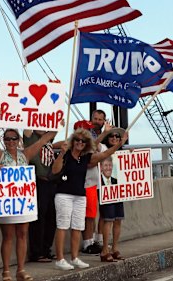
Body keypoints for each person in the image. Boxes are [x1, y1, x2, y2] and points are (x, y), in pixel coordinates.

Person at [0, 108, 58, 281]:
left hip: (22, 203)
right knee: (8, 236)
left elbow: (44, 139)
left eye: (14, 138)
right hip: (6, 203)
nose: (11, 141)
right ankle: (6, 271)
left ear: (19, 139)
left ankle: (20, 270)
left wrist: (56, 119)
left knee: (22, 235)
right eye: (7, 139)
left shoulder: (25, 154)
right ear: (4, 140)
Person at [51, 126, 127, 271]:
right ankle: (60, 259)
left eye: (83, 141)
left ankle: (74, 258)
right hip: (64, 194)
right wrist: (61, 153)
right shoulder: (65, 155)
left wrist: (119, 144)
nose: (80, 142)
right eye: (77, 140)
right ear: (73, 141)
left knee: (78, 227)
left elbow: (105, 154)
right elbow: (55, 170)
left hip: (80, 196)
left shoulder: (86, 158)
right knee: (62, 225)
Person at [24, 129, 57, 263]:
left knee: (51, 217)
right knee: (39, 218)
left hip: (50, 181)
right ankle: (36, 252)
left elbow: (55, 128)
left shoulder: (48, 138)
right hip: (37, 180)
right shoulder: (30, 136)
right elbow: (27, 126)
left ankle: (46, 249)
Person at [81, 110, 107, 254]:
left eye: (100, 119)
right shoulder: (85, 133)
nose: (97, 121)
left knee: (99, 213)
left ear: (104, 121)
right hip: (87, 181)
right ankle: (87, 243)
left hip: (101, 181)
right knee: (89, 215)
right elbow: (91, 147)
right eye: (95, 118)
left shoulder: (107, 135)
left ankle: (97, 241)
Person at [98, 128, 126, 262]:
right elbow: (94, 145)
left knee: (118, 219)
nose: (114, 138)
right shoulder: (102, 147)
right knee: (108, 219)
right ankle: (105, 250)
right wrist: (104, 132)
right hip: (105, 189)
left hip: (118, 188)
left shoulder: (121, 150)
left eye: (117, 136)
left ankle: (115, 248)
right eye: (111, 136)